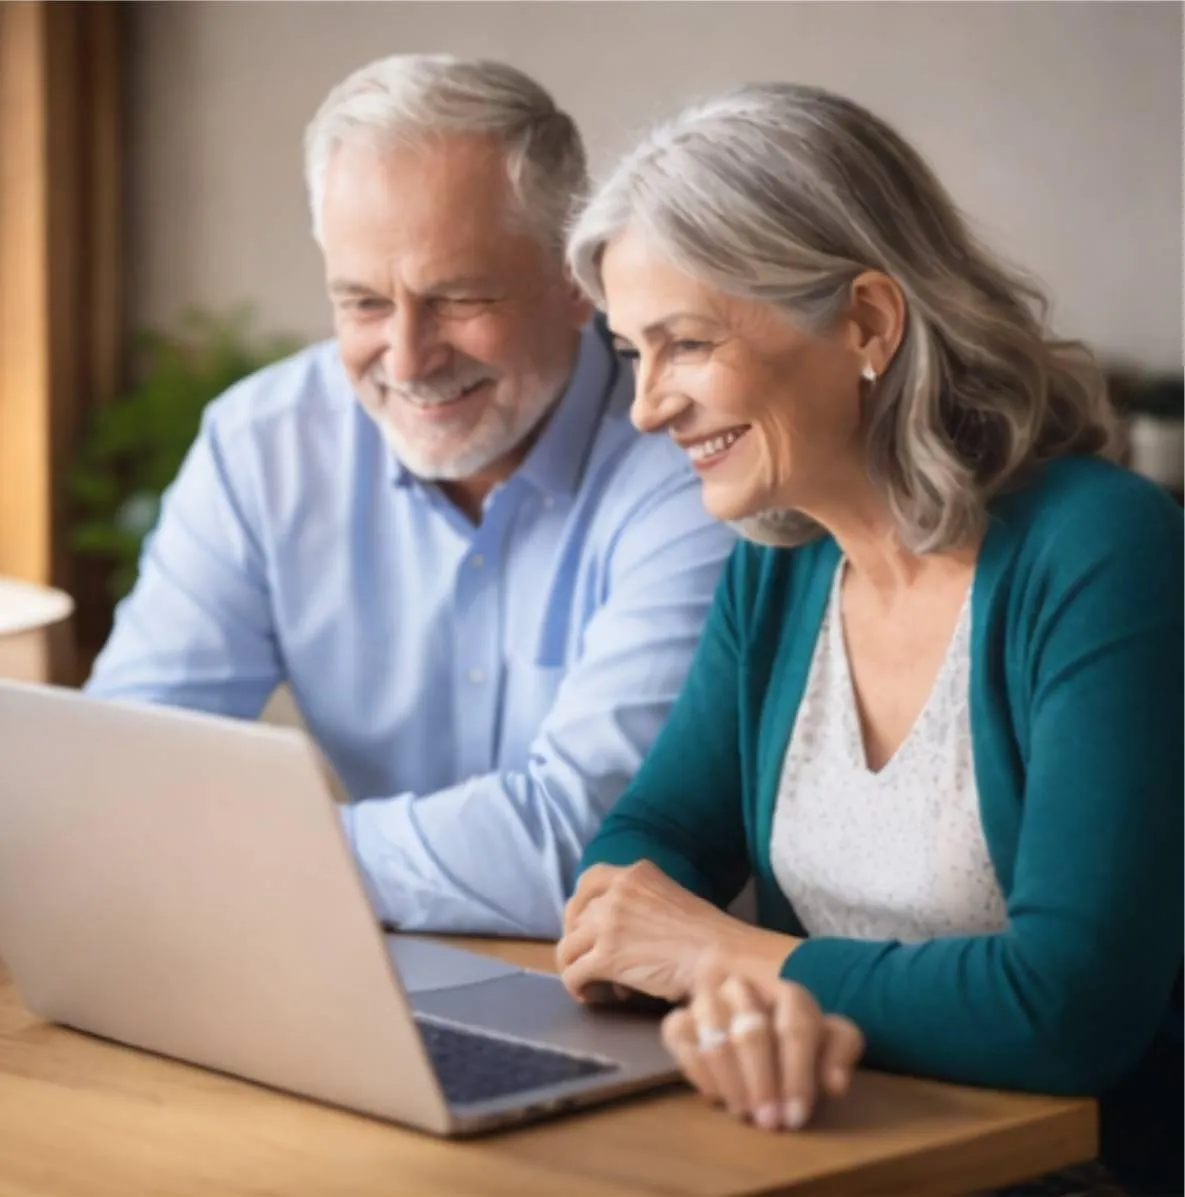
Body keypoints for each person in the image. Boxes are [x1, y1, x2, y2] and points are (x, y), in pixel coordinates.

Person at [556, 83, 1182, 1195]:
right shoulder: (780, 557)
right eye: (630, 353)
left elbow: (1070, 1010)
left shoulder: (1105, 551)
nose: (648, 407)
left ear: (868, 324)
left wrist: (729, 960)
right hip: (843, 1151)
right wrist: (720, 989)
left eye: (685, 345)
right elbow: (649, 845)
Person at [85, 55, 735, 937]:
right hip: (364, 969)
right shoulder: (260, 443)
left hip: (669, 1007)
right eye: (360, 302)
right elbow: (124, 774)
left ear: (577, 280)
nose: (406, 358)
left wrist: (253, 853)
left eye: (457, 298)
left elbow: (588, 849)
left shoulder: (689, 457)